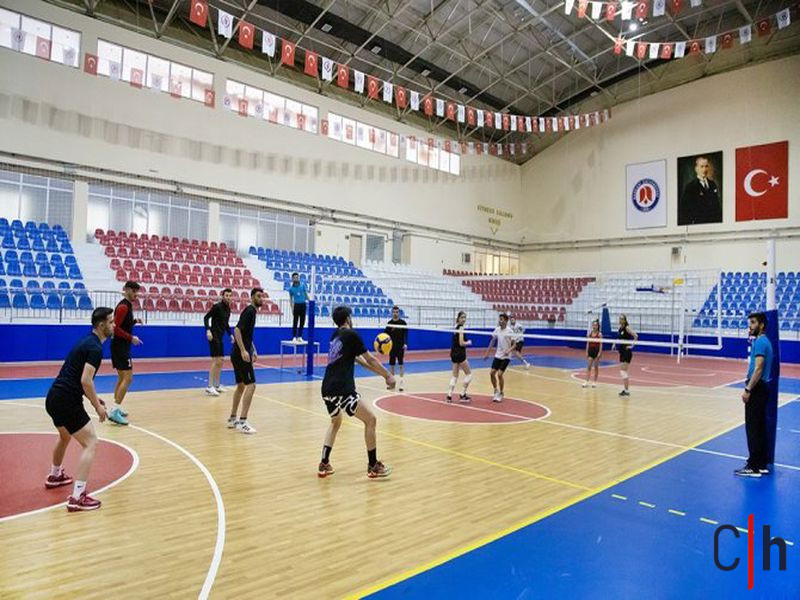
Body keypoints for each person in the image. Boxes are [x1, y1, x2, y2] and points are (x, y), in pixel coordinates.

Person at [44, 307, 113, 512]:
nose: (114, 325)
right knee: (91, 442)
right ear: (101, 325)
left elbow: (77, 378)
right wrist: (97, 407)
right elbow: (85, 380)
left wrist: (93, 397)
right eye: (111, 322)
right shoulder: (95, 349)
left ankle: (55, 475)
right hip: (66, 401)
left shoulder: (86, 341)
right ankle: (77, 497)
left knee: (64, 436)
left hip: (54, 397)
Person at [318, 305, 395, 479]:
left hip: (327, 387)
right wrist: (388, 375)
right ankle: (373, 466)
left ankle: (324, 463)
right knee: (371, 420)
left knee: (335, 422)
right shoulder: (352, 335)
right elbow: (371, 358)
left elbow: (361, 361)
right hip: (342, 388)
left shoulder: (336, 335)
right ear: (347, 319)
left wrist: (383, 375)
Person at [735, 312, 774, 478]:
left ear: (762, 325)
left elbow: (758, 368)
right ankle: (761, 464)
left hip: (757, 388)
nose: (749, 326)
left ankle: (753, 467)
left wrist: (748, 389)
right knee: (759, 428)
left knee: (753, 429)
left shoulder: (760, 342)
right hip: (762, 388)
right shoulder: (765, 342)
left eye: (752, 323)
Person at [228, 287, 264, 434]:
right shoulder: (249, 311)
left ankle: (232, 418)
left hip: (237, 354)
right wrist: (243, 350)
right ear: (252, 297)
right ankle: (243, 421)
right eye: (258, 296)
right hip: (240, 354)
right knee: (251, 385)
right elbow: (237, 330)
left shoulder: (252, 312)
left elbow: (246, 334)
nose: (260, 299)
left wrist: (252, 349)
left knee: (241, 386)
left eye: (262, 296)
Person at [109, 280, 143, 426]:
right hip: (120, 346)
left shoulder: (127, 306)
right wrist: (131, 338)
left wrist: (134, 321)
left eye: (137, 292)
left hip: (119, 346)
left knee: (122, 377)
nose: (136, 295)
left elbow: (123, 324)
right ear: (127, 290)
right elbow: (115, 328)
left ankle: (116, 406)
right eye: (134, 292)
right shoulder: (123, 306)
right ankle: (115, 411)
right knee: (128, 378)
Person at [204, 288, 234, 396]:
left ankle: (217, 385)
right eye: (226, 295)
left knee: (221, 361)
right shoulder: (217, 307)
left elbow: (226, 324)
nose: (228, 297)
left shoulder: (228, 309)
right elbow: (206, 317)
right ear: (223, 296)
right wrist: (208, 330)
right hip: (213, 336)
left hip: (220, 337)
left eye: (230, 296)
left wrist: (230, 334)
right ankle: (209, 386)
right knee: (216, 361)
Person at [678, 155, 722, 225]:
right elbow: (685, 210)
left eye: (706, 166)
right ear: (696, 169)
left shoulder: (712, 184)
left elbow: (717, 206)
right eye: (701, 166)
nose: (704, 170)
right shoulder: (690, 187)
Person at [483, 313, 514, 402]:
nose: (499, 321)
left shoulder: (510, 331)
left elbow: (515, 344)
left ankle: (501, 392)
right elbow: (492, 341)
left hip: (506, 356)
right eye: (499, 319)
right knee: (492, 373)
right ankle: (495, 390)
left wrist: (509, 350)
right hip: (498, 355)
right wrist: (487, 353)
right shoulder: (497, 330)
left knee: (499, 374)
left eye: (501, 319)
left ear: (506, 321)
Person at [447, 311, 473, 403]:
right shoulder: (461, 328)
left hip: (453, 353)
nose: (463, 319)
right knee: (469, 375)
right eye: (462, 317)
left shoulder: (455, 327)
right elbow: (461, 343)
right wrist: (468, 342)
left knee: (454, 376)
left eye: (465, 317)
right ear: (458, 318)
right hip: (460, 354)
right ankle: (462, 394)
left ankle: (449, 395)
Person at [384, 306, 408, 392]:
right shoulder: (389, 323)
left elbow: (406, 334)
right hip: (391, 348)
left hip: (400, 347)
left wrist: (405, 343)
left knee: (401, 365)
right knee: (392, 366)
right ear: (391, 313)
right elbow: (385, 336)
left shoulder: (403, 323)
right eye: (394, 312)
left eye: (397, 312)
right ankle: (392, 383)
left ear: (399, 313)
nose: (395, 313)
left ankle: (401, 384)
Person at [614, 314, 638, 397]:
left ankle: (627, 390)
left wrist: (632, 345)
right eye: (619, 319)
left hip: (627, 352)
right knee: (623, 371)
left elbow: (636, 336)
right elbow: (618, 338)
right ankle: (625, 389)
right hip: (621, 351)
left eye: (622, 319)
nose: (620, 320)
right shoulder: (620, 328)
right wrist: (614, 343)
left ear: (625, 320)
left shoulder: (627, 328)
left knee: (623, 371)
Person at [288, 272, 308, 343]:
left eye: (297, 277)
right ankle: (294, 337)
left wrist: (310, 301)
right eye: (295, 277)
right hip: (296, 305)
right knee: (295, 322)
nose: (296, 278)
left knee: (302, 322)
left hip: (303, 305)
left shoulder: (302, 286)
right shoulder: (291, 289)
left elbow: (306, 295)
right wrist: (292, 307)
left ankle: (300, 336)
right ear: (292, 279)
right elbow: (291, 299)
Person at [582, 319, 603, 388]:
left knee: (596, 367)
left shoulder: (599, 334)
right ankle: (586, 381)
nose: (594, 326)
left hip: (596, 351)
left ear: (598, 326)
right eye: (593, 325)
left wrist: (600, 352)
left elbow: (601, 344)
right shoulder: (589, 334)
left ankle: (594, 382)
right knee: (589, 367)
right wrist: (586, 351)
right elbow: (588, 343)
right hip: (590, 351)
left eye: (596, 325)